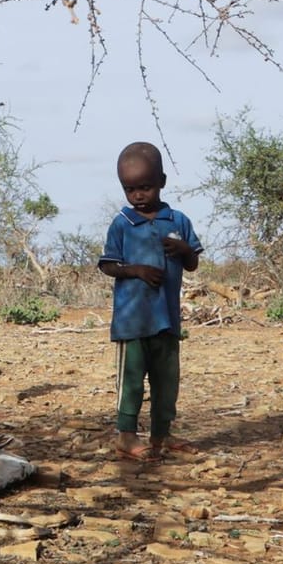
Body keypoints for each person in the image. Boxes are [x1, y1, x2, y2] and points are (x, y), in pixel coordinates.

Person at [98, 141, 204, 461]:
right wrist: (135, 270)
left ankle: (162, 434)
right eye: (130, 189)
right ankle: (126, 436)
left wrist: (184, 250)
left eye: (145, 187)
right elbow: (107, 265)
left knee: (166, 381)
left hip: (167, 319)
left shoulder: (178, 221)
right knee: (131, 381)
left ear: (162, 181)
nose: (138, 195)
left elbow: (192, 263)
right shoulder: (122, 224)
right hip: (132, 321)